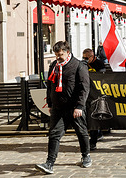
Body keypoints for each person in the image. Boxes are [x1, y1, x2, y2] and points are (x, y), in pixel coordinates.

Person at [36, 41, 91, 174]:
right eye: (56, 55)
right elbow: (50, 85)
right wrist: (49, 103)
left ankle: (86, 155)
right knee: (54, 134)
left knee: (81, 132)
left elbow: (84, 87)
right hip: (58, 107)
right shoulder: (54, 65)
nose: (58, 57)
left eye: (60, 55)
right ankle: (49, 163)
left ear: (67, 52)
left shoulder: (78, 65)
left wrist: (79, 106)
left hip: (74, 107)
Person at [82, 48, 106, 151]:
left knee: (94, 118)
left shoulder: (99, 64)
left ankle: (93, 141)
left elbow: (103, 76)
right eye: (83, 58)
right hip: (86, 94)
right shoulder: (82, 65)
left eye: (87, 58)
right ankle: (95, 135)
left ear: (92, 56)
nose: (85, 60)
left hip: (97, 95)